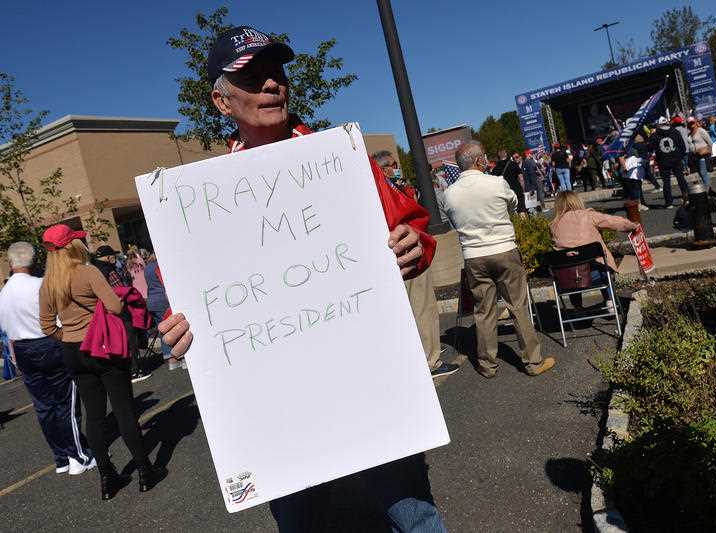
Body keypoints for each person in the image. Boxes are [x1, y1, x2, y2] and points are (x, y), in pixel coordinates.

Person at [157, 26, 446, 532]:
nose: (272, 84)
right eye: (253, 76)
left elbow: (415, 229)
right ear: (222, 101)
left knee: (412, 513)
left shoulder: (343, 161)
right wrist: (178, 332)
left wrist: (411, 244)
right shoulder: (195, 204)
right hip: (274, 408)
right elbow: (185, 300)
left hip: (368, 382)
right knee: (299, 521)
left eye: (277, 72)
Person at [39, 225, 164, 500]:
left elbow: (47, 325)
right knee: (123, 410)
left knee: (95, 417)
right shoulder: (87, 272)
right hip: (101, 346)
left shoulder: (48, 283)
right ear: (73, 246)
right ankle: (145, 470)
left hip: (73, 350)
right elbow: (115, 307)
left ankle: (107, 478)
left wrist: (68, 336)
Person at [443, 141, 556, 379]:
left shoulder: (449, 194)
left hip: (473, 256)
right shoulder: (496, 183)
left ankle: (487, 365)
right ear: (478, 161)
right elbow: (513, 204)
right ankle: (532, 362)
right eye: (483, 157)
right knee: (518, 306)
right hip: (504, 249)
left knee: (483, 312)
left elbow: (453, 220)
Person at [0, 242, 95, 475]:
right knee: (67, 401)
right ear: (33, 261)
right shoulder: (41, 284)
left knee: (44, 406)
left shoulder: (4, 293)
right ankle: (79, 455)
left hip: (22, 349)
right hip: (49, 343)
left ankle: (61, 456)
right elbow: (59, 318)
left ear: (11, 263)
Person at [373, 150, 459, 378]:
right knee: (422, 306)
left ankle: (426, 352)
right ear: (383, 169)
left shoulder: (390, 188)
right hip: (405, 255)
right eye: (392, 164)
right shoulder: (385, 191)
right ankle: (431, 360)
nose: (396, 167)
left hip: (402, 255)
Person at [549, 192, 638, 309]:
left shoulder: (553, 225)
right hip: (595, 276)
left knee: (570, 263)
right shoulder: (587, 215)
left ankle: (577, 306)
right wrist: (631, 225)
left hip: (567, 280)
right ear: (577, 201)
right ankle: (610, 300)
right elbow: (613, 221)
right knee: (601, 264)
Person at [649, 116, 688, 208]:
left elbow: (650, 148)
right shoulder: (675, 132)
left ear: (658, 124)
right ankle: (687, 199)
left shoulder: (655, 135)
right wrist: (679, 156)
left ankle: (669, 203)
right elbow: (683, 147)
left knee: (666, 182)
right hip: (676, 160)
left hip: (663, 161)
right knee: (681, 179)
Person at [493, 148, 527, 216]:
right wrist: (523, 189)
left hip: (504, 193)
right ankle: (524, 225)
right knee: (521, 211)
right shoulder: (513, 164)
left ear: (499, 156)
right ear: (506, 154)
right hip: (517, 190)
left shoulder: (495, 169)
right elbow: (521, 178)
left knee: (509, 214)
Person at [687, 117, 714, 192]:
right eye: (689, 123)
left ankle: (707, 192)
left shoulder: (701, 131)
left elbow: (710, 142)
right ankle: (709, 189)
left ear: (695, 122)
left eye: (692, 122)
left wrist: (708, 151)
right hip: (694, 157)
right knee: (700, 174)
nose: (691, 124)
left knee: (703, 173)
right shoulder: (689, 133)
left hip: (703, 155)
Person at [522, 149, 546, 213]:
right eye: (530, 153)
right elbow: (536, 169)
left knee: (538, 194)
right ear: (528, 154)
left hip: (533, 180)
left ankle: (539, 208)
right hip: (536, 179)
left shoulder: (526, 162)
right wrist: (541, 175)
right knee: (540, 193)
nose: (532, 155)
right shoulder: (530, 161)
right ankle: (542, 208)